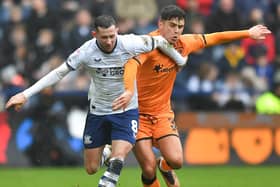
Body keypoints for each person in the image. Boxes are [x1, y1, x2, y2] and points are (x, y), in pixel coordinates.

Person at [5, 15, 187, 187]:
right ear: (94, 35)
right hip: (98, 111)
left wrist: (180, 60)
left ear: (117, 30)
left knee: (119, 157)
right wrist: (25, 94)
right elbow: (59, 72)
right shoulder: (86, 51)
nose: (109, 41)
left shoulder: (131, 42)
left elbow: (161, 41)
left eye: (112, 36)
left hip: (126, 110)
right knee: (91, 168)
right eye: (104, 37)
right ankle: (107, 153)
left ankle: (111, 175)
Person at [112, 5, 271, 187]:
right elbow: (132, 65)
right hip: (137, 114)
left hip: (162, 114)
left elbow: (214, 37)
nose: (176, 31)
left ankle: (164, 166)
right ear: (160, 24)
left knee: (177, 161)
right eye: (172, 25)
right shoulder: (148, 43)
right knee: (148, 169)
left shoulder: (184, 44)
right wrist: (128, 90)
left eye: (180, 27)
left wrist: (247, 33)